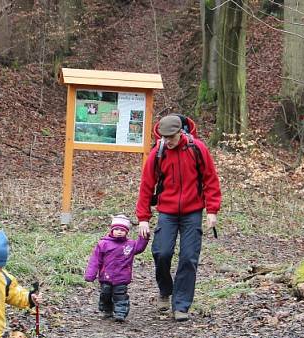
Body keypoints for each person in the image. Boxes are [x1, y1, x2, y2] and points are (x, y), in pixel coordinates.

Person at [136, 114, 221, 322]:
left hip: (193, 212)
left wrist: (212, 211)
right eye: (164, 138)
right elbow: (146, 186)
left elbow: (210, 179)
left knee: (188, 258)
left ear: (180, 133)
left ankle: (181, 305)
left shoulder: (197, 149)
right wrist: (143, 217)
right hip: (167, 211)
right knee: (161, 253)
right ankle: (165, 291)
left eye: (171, 138)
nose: (167, 142)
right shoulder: (158, 152)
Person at [84, 214, 148, 322]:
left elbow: (140, 248)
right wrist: (90, 274)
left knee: (120, 295)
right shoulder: (103, 244)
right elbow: (95, 260)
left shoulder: (130, 245)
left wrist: (144, 236)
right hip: (106, 277)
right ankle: (107, 310)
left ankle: (120, 313)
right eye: (117, 229)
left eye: (122, 230)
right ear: (112, 230)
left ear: (126, 232)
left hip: (122, 277)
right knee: (105, 293)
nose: (119, 232)